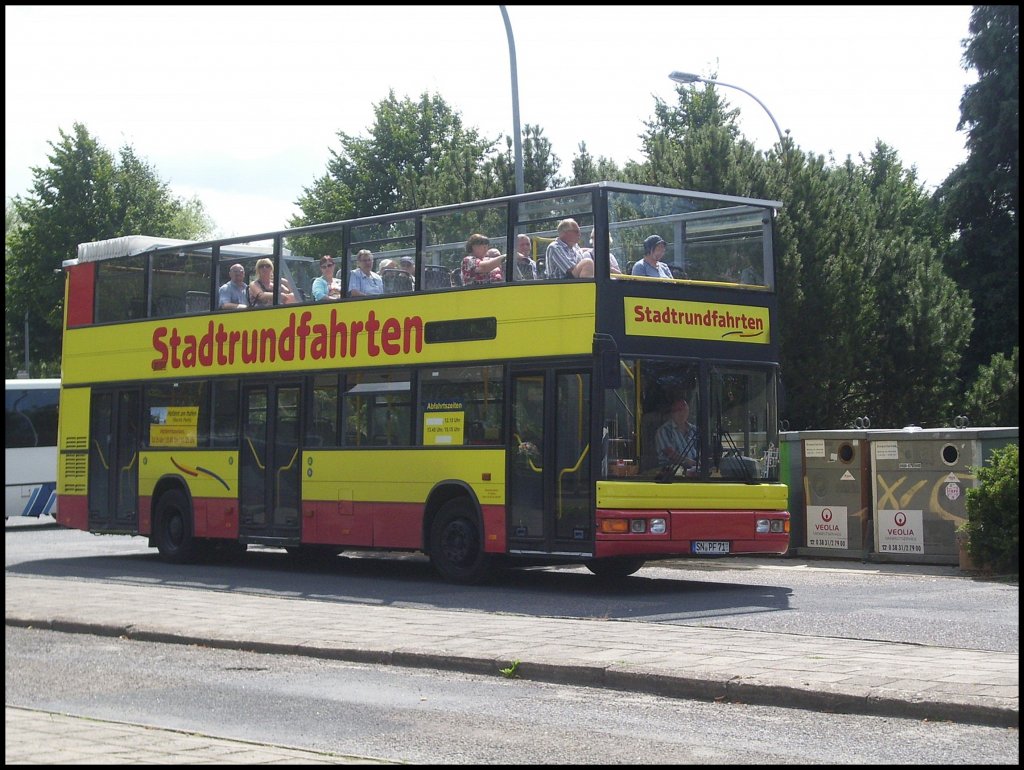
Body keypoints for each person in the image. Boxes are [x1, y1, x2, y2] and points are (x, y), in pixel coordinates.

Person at [656, 399, 699, 471]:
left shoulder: (694, 429)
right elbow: (671, 455)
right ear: (672, 413)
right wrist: (691, 463)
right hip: (671, 473)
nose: (681, 413)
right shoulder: (664, 431)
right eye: (678, 410)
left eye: (684, 410)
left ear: (688, 412)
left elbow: (701, 449)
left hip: (695, 471)